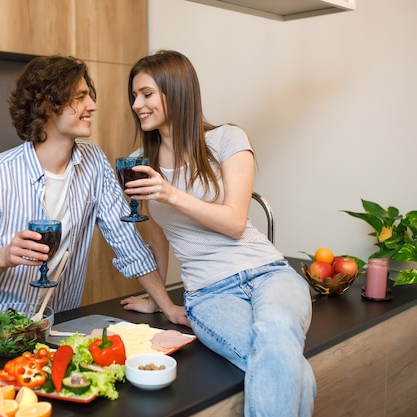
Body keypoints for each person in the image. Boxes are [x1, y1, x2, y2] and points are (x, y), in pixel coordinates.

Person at [120, 50, 316, 417]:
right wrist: (159, 299)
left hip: (269, 272)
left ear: (175, 90)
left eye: (145, 94)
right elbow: (158, 237)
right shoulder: (139, 163)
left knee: (275, 330)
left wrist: (170, 193)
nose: (136, 105)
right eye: (134, 96)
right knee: (287, 364)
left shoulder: (227, 139)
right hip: (209, 293)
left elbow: (234, 222)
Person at [0, 55, 186, 339]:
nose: (92, 106)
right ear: (49, 105)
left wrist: (167, 307)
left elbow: (127, 241)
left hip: (52, 330)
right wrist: (6, 256)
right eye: (80, 97)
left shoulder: (94, 162)